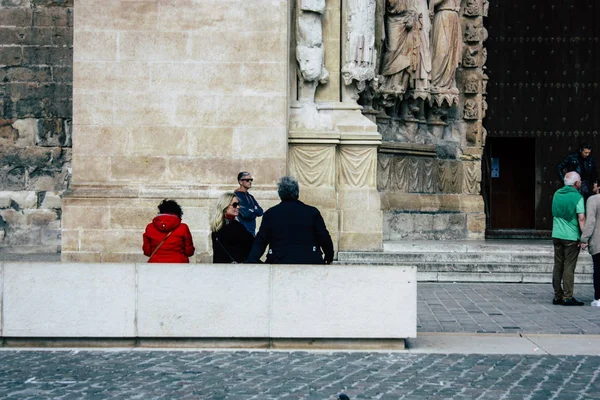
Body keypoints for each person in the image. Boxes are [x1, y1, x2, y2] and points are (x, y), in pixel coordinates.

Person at [246, 176, 334, 264]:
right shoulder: (312, 212)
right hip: (310, 259)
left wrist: (252, 260)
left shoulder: (271, 213)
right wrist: (329, 256)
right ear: (297, 192)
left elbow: (261, 239)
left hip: (279, 260)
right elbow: (323, 236)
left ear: (280, 193)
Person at [551, 171, 586, 306]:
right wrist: (585, 237)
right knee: (569, 267)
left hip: (557, 234)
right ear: (576, 183)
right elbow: (581, 218)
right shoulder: (578, 197)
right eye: (580, 181)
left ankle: (557, 295)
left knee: (558, 264)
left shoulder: (557, 194)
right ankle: (567, 296)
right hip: (571, 236)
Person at [210, 192, 255, 263]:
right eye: (235, 205)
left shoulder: (216, 227)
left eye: (238, 204)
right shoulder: (235, 226)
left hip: (221, 269)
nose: (238, 207)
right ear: (225, 206)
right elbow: (252, 245)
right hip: (235, 270)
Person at [579, 185, 600, 307]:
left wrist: (584, 238)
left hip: (598, 241)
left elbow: (590, 221)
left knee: (598, 269)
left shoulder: (593, 199)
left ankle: (598, 298)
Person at [234, 172, 264, 236]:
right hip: (242, 232)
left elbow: (261, 211)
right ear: (240, 182)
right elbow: (245, 214)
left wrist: (252, 210)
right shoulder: (235, 196)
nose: (250, 182)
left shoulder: (250, 197)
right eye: (247, 180)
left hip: (252, 232)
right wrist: (254, 210)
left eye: (251, 180)